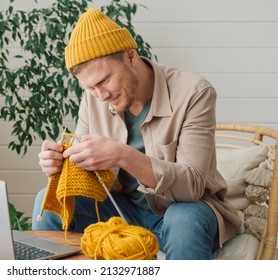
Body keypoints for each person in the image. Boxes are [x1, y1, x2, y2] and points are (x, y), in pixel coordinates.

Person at [32, 7, 241, 260]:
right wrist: (62, 163)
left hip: (183, 211)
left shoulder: (194, 92)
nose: (101, 95)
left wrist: (123, 156)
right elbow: (92, 176)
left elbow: (193, 186)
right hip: (123, 210)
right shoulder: (93, 98)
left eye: (105, 80)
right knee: (50, 197)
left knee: (183, 218)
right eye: (91, 88)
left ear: (131, 56)